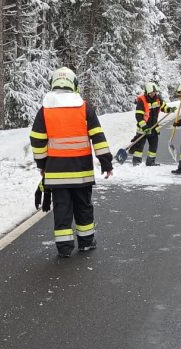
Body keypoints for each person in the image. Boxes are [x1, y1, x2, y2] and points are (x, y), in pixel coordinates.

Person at [30, 67, 113, 258]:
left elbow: (37, 139)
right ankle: (86, 242)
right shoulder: (85, 107)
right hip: (81, 172)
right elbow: (98, 137)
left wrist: (42, 165)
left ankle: (64, 248)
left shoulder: (45, 110)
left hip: (57, 174)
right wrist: (106, 163)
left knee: (62, 210)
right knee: (83, 207)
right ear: (73, 84)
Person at [131, 82, 176, 166]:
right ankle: (136, 163)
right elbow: (139, 116)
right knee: (139, 147)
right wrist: (145, 127)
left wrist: (169, 109)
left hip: (154, 127)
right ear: (147, 93)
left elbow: (163, 107)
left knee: (154, 146)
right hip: (143, 128)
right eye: (151, 93)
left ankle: (150, 162)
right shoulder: (141, 100)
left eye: (154, 93)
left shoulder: (158, 99)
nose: (153, 94)